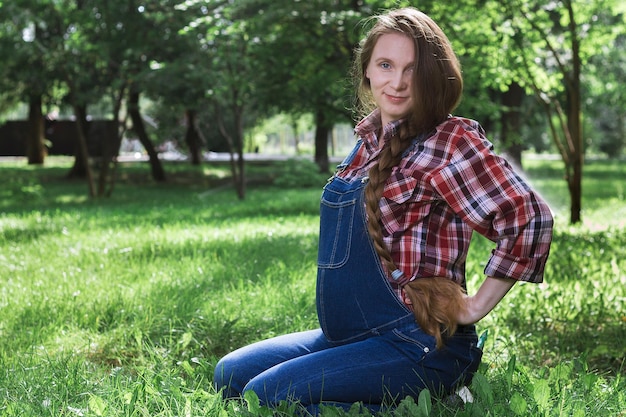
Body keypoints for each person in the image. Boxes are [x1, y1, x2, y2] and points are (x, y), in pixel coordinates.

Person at [213, 7, 553, 414]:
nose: (397, 82)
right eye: (386, 65)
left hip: (419, 342)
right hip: (349, 336)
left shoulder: (449, 140)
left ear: (433, 76)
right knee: (230, 375)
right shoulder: (367, 142)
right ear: (367, 72)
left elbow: (528, 217)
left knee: (265, 396)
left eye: (413, 69)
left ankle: (433, 403)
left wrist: (476, 304)